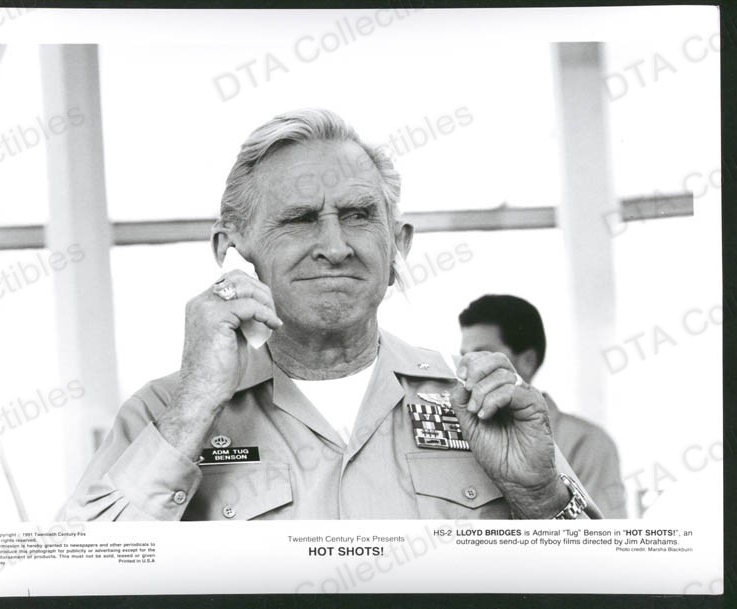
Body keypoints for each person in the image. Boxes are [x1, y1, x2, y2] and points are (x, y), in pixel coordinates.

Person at [61, 109, 601, 521]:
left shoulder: (480, 406)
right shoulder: (162, 411)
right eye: (299, 219)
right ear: (233, 252)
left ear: (398, 246)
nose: (336, 247)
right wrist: (193, 409)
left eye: (359, 215)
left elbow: (603, 589)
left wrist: (539, 495)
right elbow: (76, 581)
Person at [458, 295, 627, 517]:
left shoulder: (589, 443)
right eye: (464, 356)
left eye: (484, 354)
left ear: (527, 361)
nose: (470, 366)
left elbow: (605, 534)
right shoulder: (462, 432)